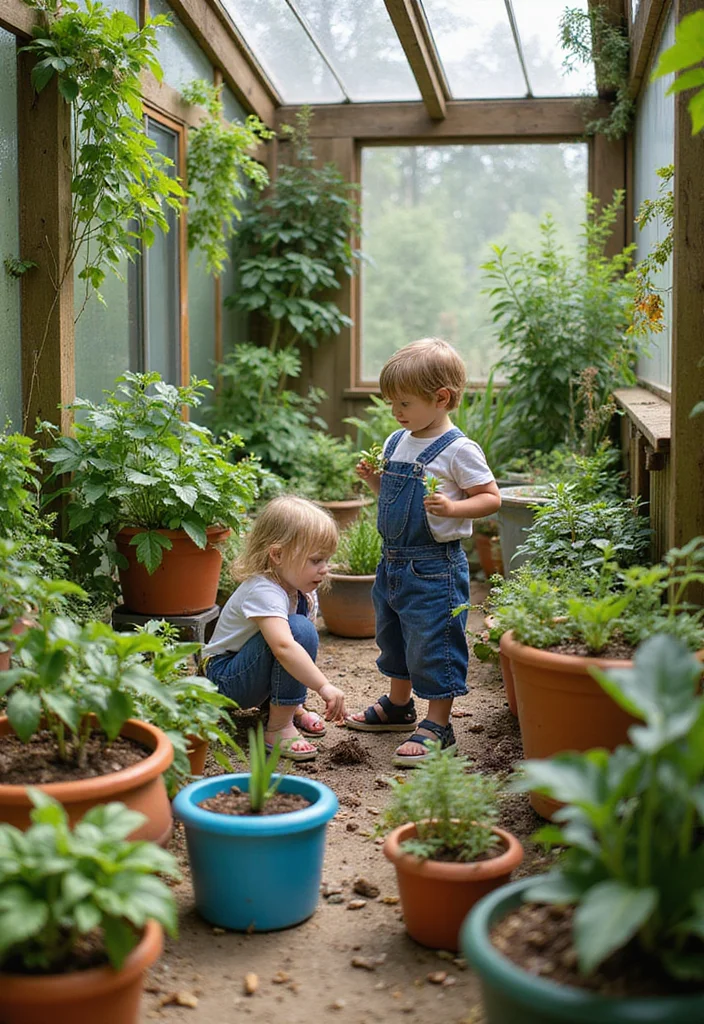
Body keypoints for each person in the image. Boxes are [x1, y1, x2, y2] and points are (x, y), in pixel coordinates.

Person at [345, 338, 501, 767]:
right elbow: (392, 498)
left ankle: (439, 723)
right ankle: (399, 706)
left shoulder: (458, 449)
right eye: (392, 402)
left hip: (435, 567)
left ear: (441, 398)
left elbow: (490, 498)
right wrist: (373, 482)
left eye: (404, 403)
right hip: (392, 561)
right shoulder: (398, 440)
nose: (396, 411)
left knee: (433, 641)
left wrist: (454, 507)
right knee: (393, 635)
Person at [202, 496, 346, 762]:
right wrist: (323, 686)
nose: (324, 569)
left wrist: (297, 702)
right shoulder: (263, 590)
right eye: (316, 560)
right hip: (223, 680)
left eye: (327, 560)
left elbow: (292, 657)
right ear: (277, 554)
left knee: (300, 633)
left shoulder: (302, 592)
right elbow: (283, 647)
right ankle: (278, 728)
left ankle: (291, 711)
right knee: (297, 632)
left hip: (248, 674)